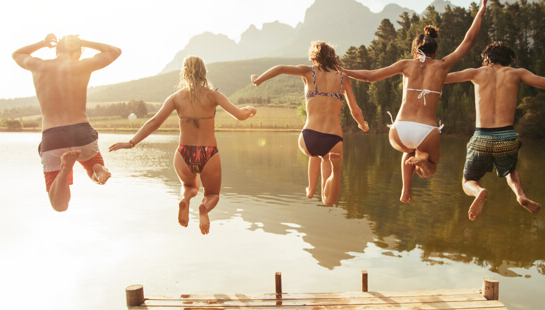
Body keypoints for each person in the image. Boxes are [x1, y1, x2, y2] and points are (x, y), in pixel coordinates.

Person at [338, 0, 488, 203]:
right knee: (429, 170)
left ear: (415, 51)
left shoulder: (406, 65)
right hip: (425, 131)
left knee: (408, 151)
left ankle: (406, 191)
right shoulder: (442, 65)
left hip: (399, 131)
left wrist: (344, 70)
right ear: (435, 52)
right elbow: (468, 41)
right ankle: (424, 158)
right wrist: (481, 10)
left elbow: (369, 76)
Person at [444, 42, 545, 220]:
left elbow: (440, 78)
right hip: (506, 135)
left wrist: (424, 69)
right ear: (509, 60)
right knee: (510, 170)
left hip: (482, 135)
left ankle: (479, 191)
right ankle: (520, 195)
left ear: (486, 60)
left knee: (468, 180)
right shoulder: (517, 73)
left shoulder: (476, 72)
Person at [109, 56, 257, 235]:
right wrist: (250, 109)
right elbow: (240, 115)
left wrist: (131, 142)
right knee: (212, 195)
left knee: (189, 187)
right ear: (204, 72)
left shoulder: (176, 98)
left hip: (184, 153)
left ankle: (185, 200)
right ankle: (204, 208)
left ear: (184, 73)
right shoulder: (214, 96)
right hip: (208, 152)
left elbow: (154, 122)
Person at [250, 41, 370, 206]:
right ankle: (335, 172)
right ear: (334, 59)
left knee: (314, 154)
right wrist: (363, 125)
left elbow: (280, 68)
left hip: (309, 137)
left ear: (314, 60)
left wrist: (258, 80)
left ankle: (311, 189)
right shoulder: (343, 78)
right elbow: (355, 111)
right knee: (328, 200)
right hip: (333, 140)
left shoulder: (308, 72)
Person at [12, 34, 121, 212]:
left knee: (59, 205)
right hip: (82, 134)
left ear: (57, 50)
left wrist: (42, 43)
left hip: (53, 138)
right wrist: (83, 42)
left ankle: (65, 170)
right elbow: (115, 51)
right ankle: (98, 169)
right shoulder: (82, 66)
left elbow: (17, 54)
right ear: (77, 52)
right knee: (93, 168)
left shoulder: (39, 66)